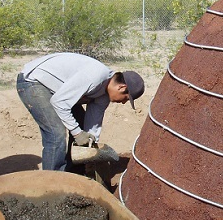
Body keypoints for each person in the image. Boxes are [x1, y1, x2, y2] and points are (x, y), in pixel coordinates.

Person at [17, 52, 145, 171]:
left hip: (59, 91)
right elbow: (60, 103)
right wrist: (78, 134)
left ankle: (74, 174)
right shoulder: (94, 77)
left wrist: (90, 150)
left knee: (80, 126)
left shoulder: (104, 95)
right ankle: (52, 184)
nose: (123, 102)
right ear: (122, 87)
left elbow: (92, 124)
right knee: (56, 133)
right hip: (33, 81)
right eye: (126, 98)